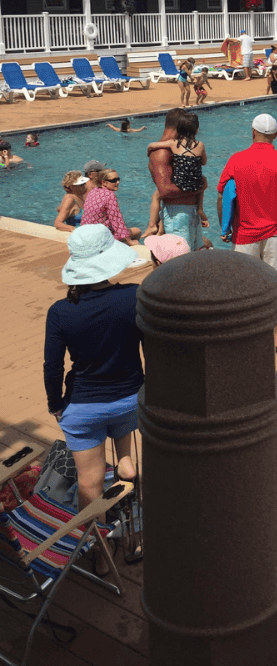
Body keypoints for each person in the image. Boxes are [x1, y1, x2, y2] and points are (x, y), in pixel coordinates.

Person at [44, 225, 142, 572]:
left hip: (83, 406)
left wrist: (55, 404)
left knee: (89, 484)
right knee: (126, 462)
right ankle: (134, 538)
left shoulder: (61, 311)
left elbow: (53, 366)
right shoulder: (133, 296)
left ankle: (101, 557)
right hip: (130, 398)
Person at [216, 113, 277, 352]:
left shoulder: (236, 160)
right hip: (275, 232)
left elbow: (223, 195)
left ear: (252, 132)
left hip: (244, 234)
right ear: (276, 135)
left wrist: (223, 227)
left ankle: (247, 336)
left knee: (244, 286)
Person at [147, 107, 205, 251]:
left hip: (188, 213)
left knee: (195, 255)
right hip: (177, 214)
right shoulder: (162, 153)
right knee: (181, 260)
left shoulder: (175, 148)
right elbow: (165, 191)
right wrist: (199, 187)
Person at [81, 169, 141, 244]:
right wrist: (130, 241)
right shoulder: (109, 195)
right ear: (103, 182)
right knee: (137, 231)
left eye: (118, 179)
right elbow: (117, 221)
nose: (117, 182)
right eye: (113, 180)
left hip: (85, 233)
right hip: (100, 237)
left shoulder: (93, 191)